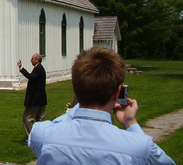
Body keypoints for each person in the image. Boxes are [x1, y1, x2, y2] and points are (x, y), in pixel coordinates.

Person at [28, 47, 175, 164]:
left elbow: (50, 128)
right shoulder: (140, 148)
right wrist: (131, 124)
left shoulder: (42, 135)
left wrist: (77, 107)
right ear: (117, 92)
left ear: (75, 89)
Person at [17, 53, 47, 140]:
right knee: (40, 119)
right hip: (41, 98)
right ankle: (42, 137)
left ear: (37, 60)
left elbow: (31, 77)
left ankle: (31, 138)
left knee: (27, 118)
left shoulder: (38, 69)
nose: (31, 60)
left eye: (32, 58)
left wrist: (21, 68)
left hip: (35, 99)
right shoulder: (40, 68)